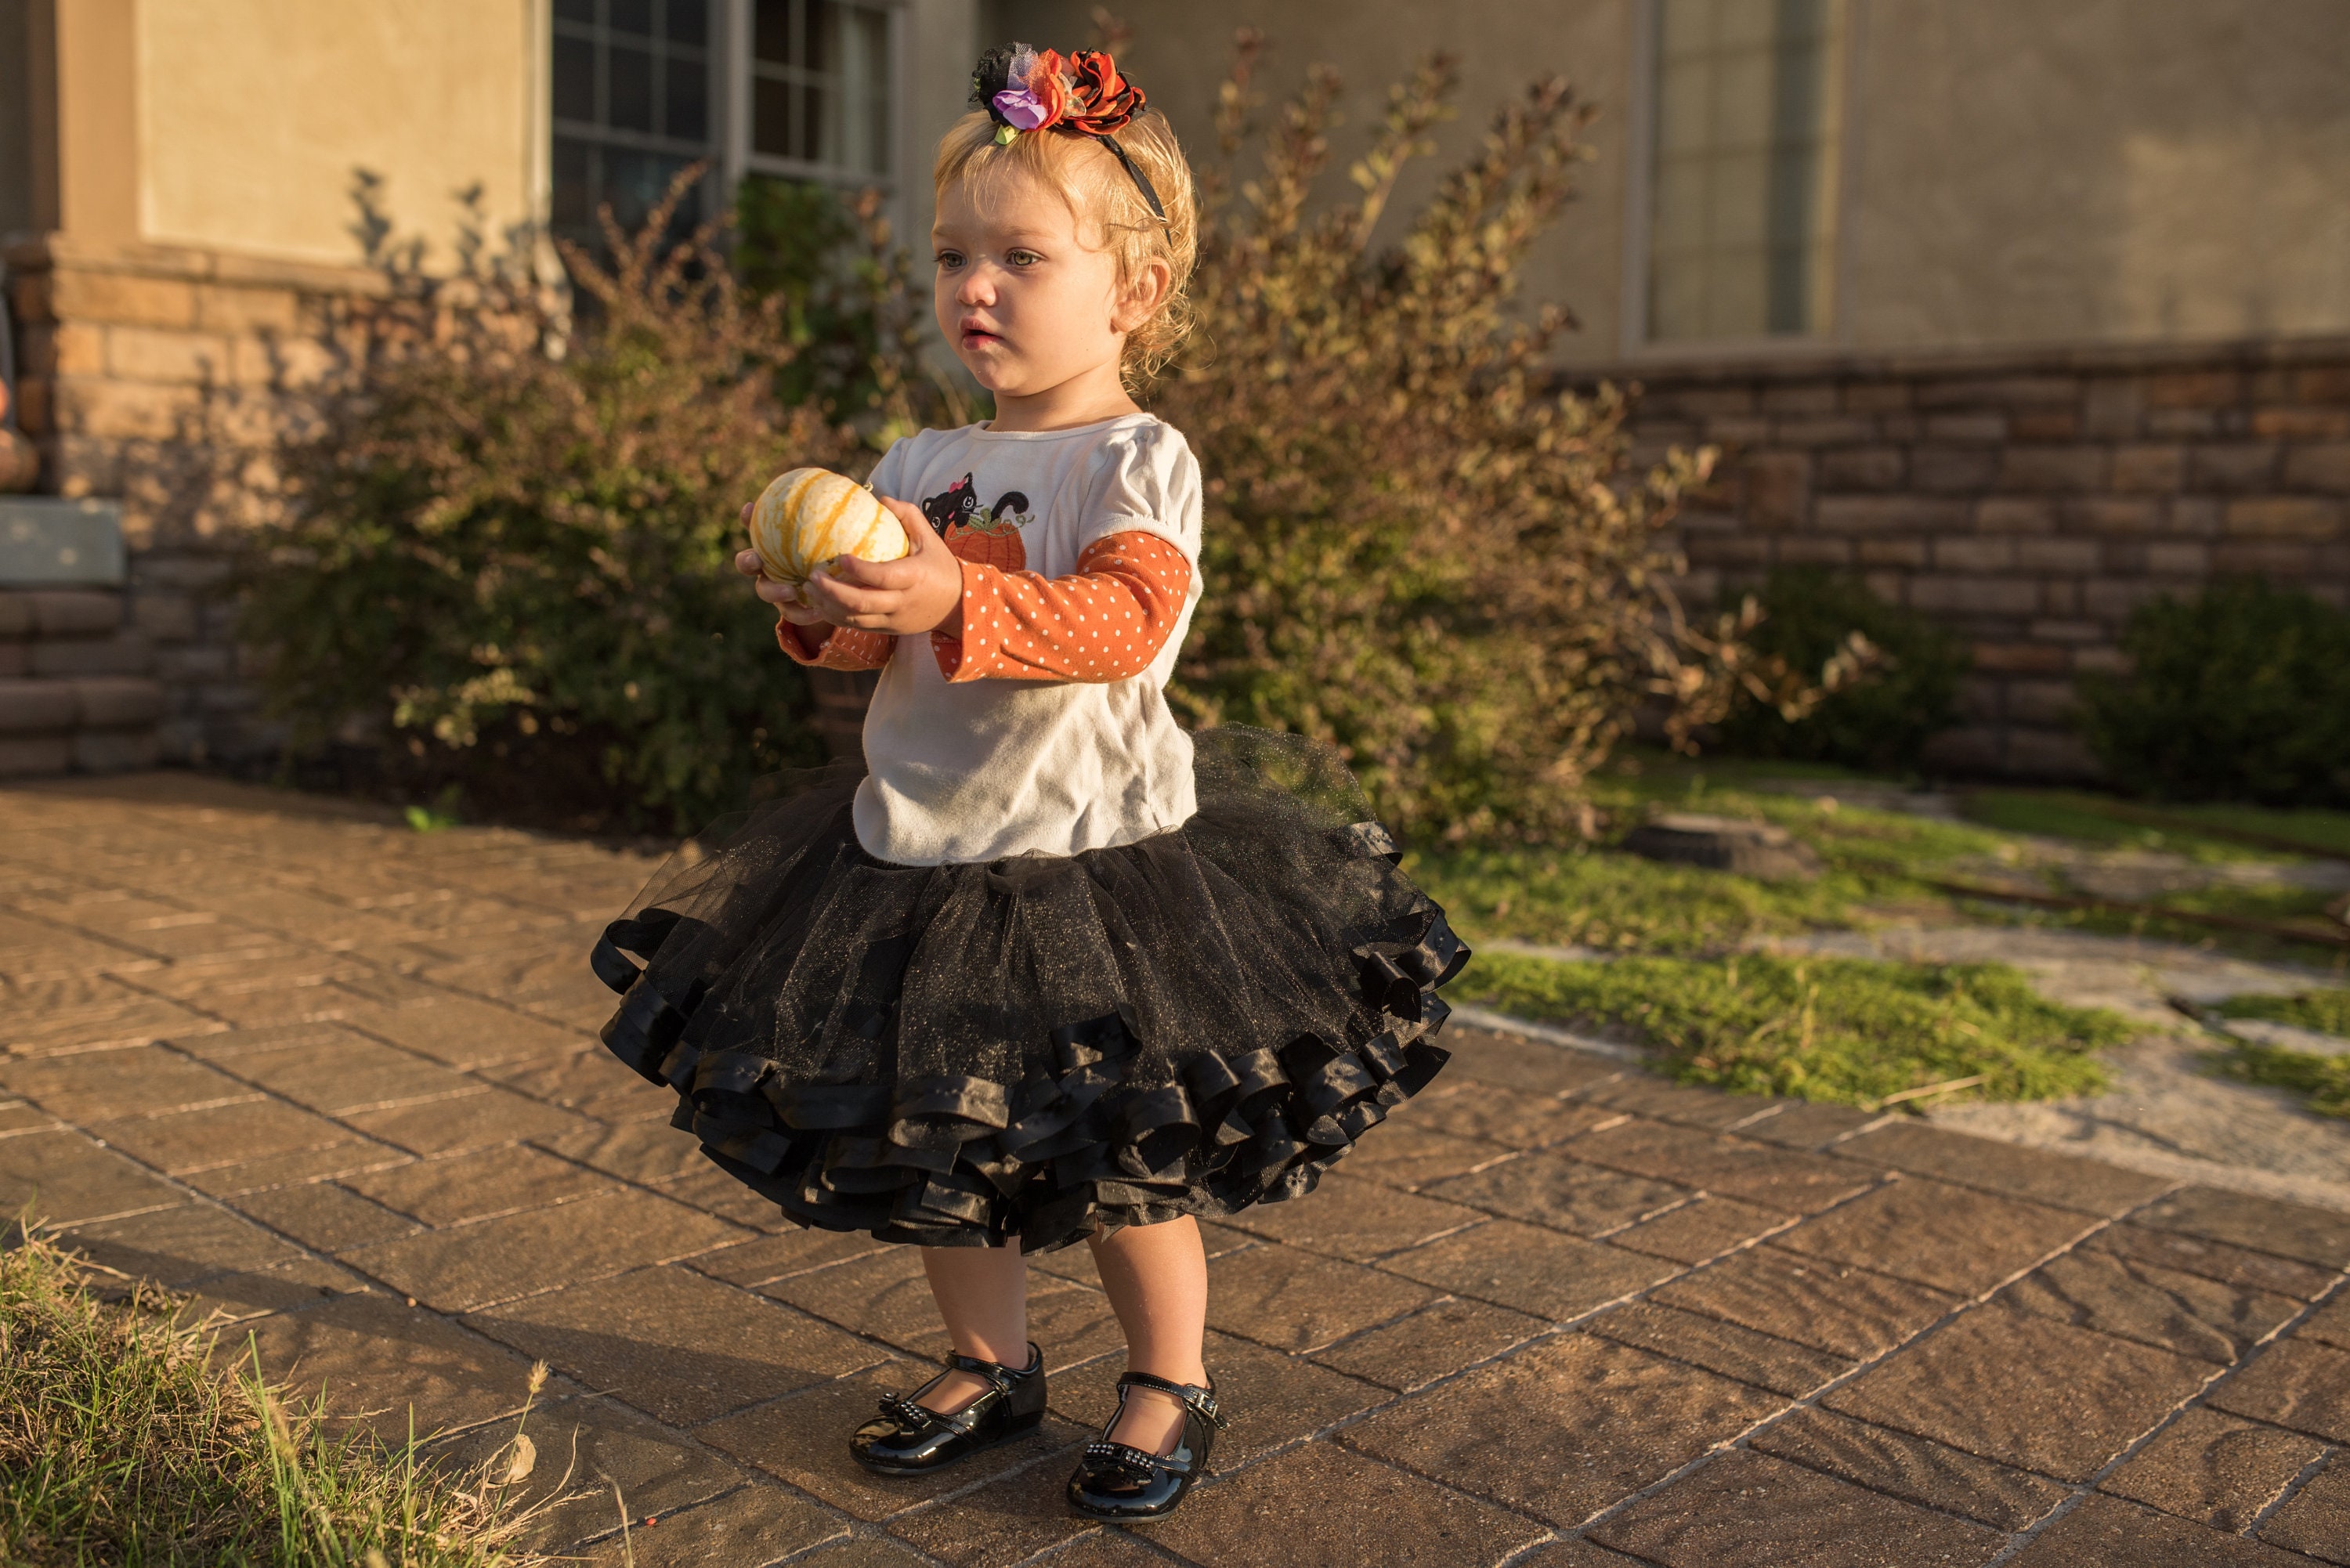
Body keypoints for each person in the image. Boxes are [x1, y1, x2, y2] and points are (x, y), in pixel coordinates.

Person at [588, 43, 1467, 1523]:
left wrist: (952, 591)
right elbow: (867, 641)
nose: (974, 287)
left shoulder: (1136, 458)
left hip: (1092, 862)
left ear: (1132, 291)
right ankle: (989, 1357)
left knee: (1127, 1151)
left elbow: (1125, 626)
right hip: (916, 855)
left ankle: (1169, 1376)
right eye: (951, 257)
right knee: (942, 1131)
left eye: (1021, 257)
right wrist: (815, 596)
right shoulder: (919, 457)